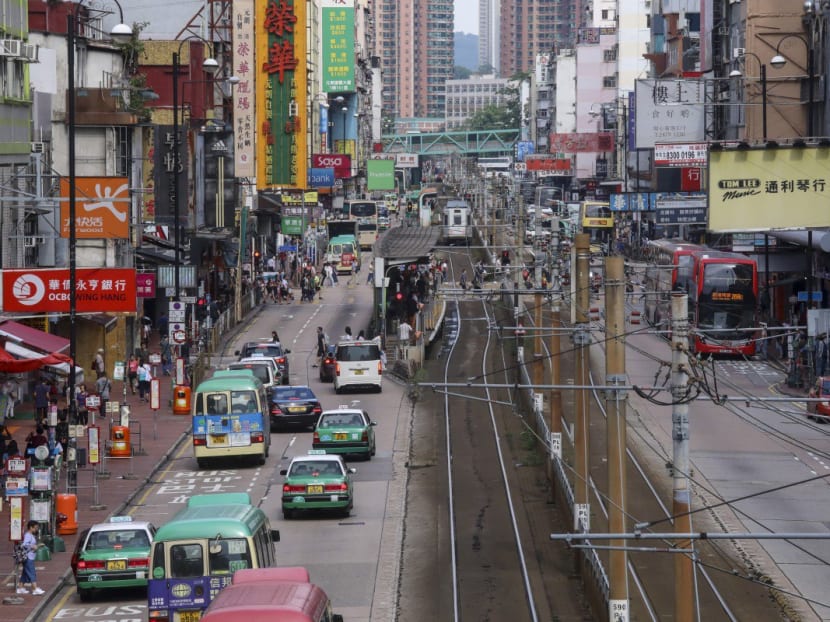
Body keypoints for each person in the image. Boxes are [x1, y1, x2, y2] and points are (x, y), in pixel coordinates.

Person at [18, 520, 45, 595]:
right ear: (31, 527)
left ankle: (20, 588)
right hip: (28, 557)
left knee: (25, 573)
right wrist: (34, 546)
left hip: (30, 556)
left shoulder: (30, 535)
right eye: (35, 528)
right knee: (32, 573)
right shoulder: (28, 535)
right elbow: (25, 545)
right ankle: (34, 588)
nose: (36, 529)